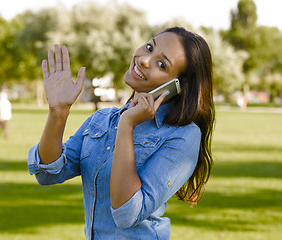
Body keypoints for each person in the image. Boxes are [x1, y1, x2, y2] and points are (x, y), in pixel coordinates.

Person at [28, 26, 215, 239]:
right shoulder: (102, 119)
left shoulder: (183, 136)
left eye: (161, 64)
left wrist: (127, 125)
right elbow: (47, 173)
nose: (145, 60)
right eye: (149, 47)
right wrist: (58, 112)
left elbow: (126, 213)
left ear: (176, 87)